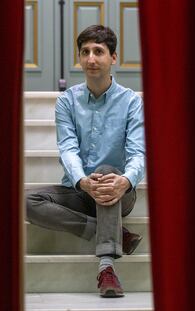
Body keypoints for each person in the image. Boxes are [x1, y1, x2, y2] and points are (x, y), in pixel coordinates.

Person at [26, 25, 145, 298]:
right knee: (26, 202)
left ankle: (106, 268)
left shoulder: (130, 102)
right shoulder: (67, 101)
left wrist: (125, 180)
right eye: (85, 52)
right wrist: (82, 181)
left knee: (105, 172)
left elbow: (138, 152)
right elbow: (67, 149)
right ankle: (116, 234)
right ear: (79, 57)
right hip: (79, 189)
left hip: (120, 190)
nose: (91, 58)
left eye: (99, 52)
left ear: (113, 58)